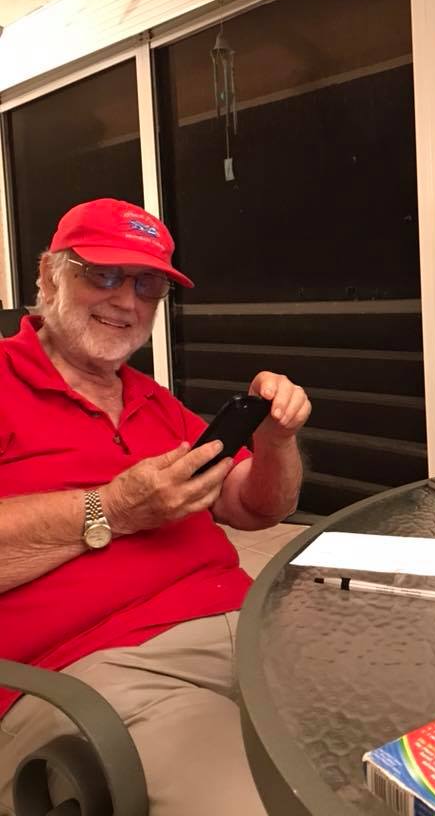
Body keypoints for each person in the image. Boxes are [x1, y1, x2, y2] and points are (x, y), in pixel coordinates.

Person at [0, 198, 311, 816]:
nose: (126, 302)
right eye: (104, 274)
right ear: (46, 275)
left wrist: (277, 441)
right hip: (97, 666)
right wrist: (112, 510)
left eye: (147, 285)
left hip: (253, 630)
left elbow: (257, 509)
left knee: (418, 733)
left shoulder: (154, 399)